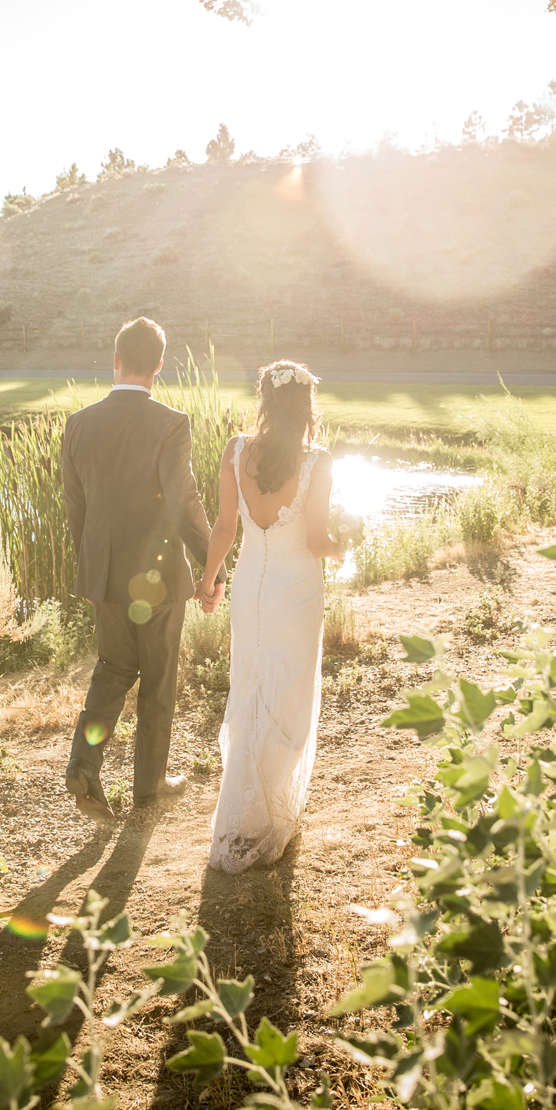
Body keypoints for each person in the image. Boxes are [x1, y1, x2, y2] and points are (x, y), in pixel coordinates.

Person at [62, 317, 226, 822]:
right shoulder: (171, 423)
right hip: (158, 579)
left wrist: (90, 574)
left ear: (115, 360)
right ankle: (149, 790)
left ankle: (84, 768)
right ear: (158, 365)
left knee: (112, 669)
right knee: (157, 678)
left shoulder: (78, 423)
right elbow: (184, 503)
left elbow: (75, 508)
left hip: (105, 576)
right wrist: (213, 572)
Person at [196, 360, 345, 873]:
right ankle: (268, 815)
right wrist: (345, 546)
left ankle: (240, 817)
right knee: (287, 696)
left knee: (251, 690)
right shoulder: (317, 461)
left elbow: (223, 527)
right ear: (306, 407)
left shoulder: (236, 451)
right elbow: (315, 541)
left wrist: (209, 580)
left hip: (250, 593)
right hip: (296, 594)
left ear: (263, 401)